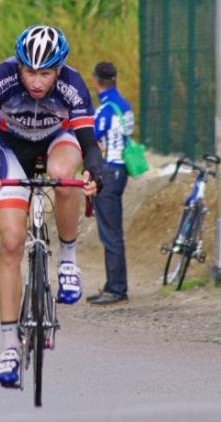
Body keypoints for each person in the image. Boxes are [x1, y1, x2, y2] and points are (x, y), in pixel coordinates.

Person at [0, 25, 102, 387]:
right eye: (29, 71)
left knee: (62, 174)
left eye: (46, 73)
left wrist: (94, 170)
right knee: (11, 243)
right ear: (19, 66)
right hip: (10, 148)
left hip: (57, 141)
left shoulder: (73, 84)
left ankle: (68, 259)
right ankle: (10, 346)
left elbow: (89, 143)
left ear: (59, 69)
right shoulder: (2, 77)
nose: (37, 81)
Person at [86, 62, 133, 305]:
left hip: (109, 170)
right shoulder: (124, 105)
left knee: (110, 233)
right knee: (112, 230)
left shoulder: (104, 110)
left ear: (96, 81)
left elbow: (90, 137)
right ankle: (112, 284)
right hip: (121, 170)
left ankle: (117, 288)